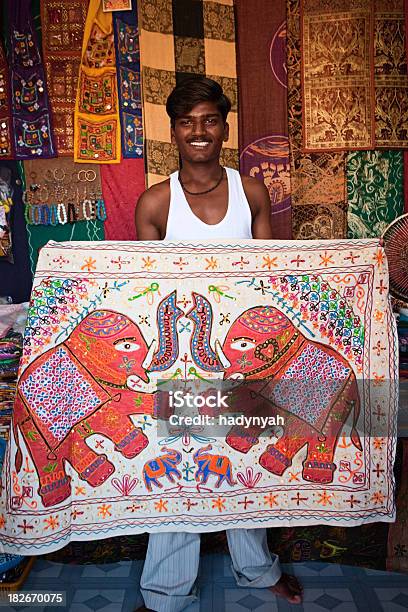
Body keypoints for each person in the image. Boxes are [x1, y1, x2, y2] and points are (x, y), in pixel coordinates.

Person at [135, 77, 303, 611]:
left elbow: (272, 279)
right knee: (179, 468)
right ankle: (165, 591)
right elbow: (144, 291)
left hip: (243, 357)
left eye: (209, 119)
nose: (199, 131)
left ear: (224, 127)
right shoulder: (156, 202)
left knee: (244, 462)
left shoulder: (250, 192)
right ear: (174, 131)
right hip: (181, 363)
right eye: (187, 122)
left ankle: (257, 570)